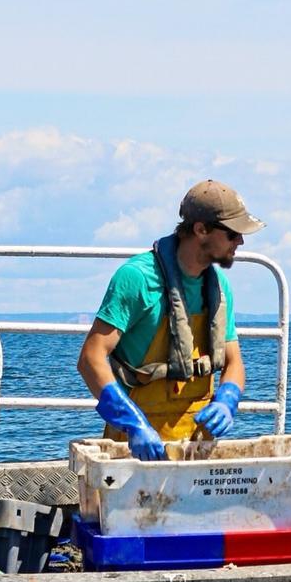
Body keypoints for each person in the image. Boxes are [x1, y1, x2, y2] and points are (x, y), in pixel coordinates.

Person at [77, 179, 265, 460]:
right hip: (136, 447)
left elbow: (234, 362)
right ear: (201, 230)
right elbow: (91, 358)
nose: (240, 241)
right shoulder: (137, 278)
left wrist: (227, 399)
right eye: (232, 234)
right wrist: (133, 424)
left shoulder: (219, 287)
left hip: (197, 445)